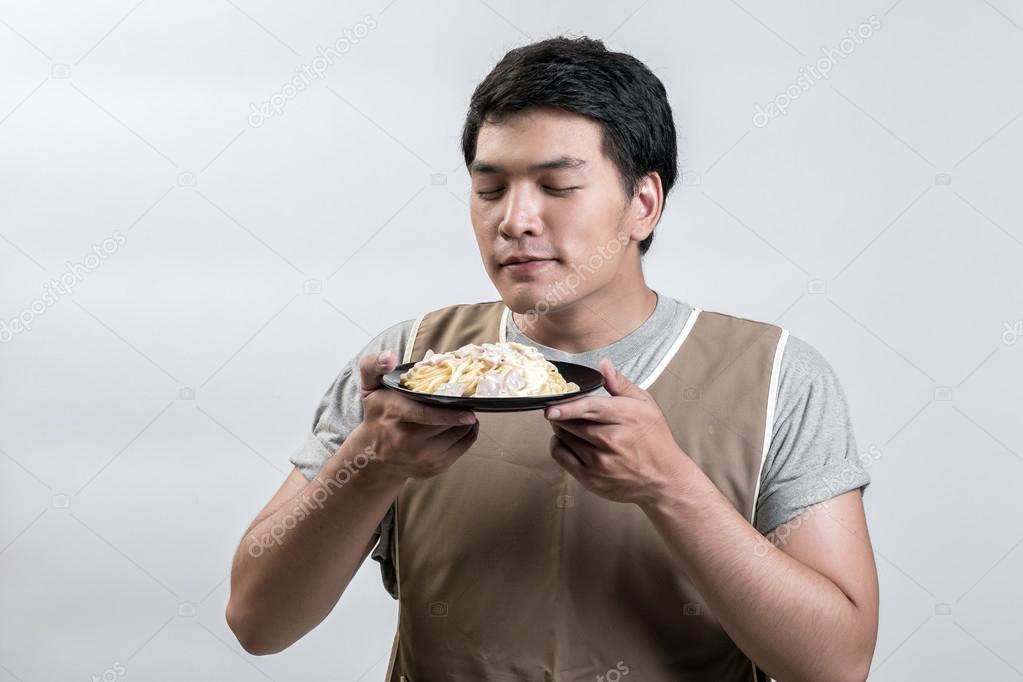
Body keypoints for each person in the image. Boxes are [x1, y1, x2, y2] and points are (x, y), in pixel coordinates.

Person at [226, 36, 878, 681]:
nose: (515, 220)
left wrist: (671, 488)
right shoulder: (408, 371)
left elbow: (834, 665)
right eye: (489, 190)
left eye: (558, 185)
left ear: (642, 204)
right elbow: (257, 622)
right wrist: (369, 462)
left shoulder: (776, 378)